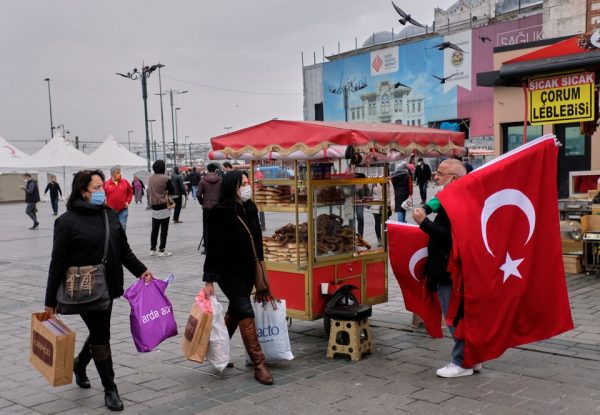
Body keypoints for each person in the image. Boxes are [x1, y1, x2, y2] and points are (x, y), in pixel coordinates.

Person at [44, 169, 153, 411]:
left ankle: (80, 364)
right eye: (96, 188)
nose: (101, 191)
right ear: (83, 192)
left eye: (102, 186)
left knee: (98, 331)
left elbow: (124, 250)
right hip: (83, 288)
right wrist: (49, 301)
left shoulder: (109, 215)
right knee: (101, 334)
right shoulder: (66, 222)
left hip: (109, 285)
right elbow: (57, 262)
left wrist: (142, 271)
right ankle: (110, 388)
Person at [203, 170, 274, 385]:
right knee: (244, 310)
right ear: (232, 187)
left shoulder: (250, 208)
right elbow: (212, 247)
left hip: (248, 271)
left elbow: (257, 241)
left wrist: (260, 267)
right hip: (228, 273)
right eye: (242, 183)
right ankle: (259, 364)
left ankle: (218, 351)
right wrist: (209, 279)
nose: (247, 186)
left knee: (235, 311)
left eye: (248, 182)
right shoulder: (220, 212)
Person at [411, 159, 478, 378]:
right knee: (459, 316)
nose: (435, 177)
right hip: (448, 268)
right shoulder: (454, 198)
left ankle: (461, 362)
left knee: (454, 317)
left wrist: (424, 223)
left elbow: (454, 238)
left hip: (451, 270)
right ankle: (471, 358)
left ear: (454, 179)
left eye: (440, 173)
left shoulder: (458, 202)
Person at [149, 160, 174, 257]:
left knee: (154, 229)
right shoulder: (165, 178)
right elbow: (171, 190)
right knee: (164, 229)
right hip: (163, 206)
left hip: (154, 206)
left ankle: (152, 249)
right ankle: (162, 250)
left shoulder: (150, 178)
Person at [197, 163, 222, 255]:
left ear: (207, 170)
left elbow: (198, 194)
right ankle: (218, 246)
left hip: (207, 208)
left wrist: (202, 202)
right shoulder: (221, 180)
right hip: (218, 207)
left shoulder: (203, 180)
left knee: (207, 227)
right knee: (218, 227)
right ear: (215, 170)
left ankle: (207, 248)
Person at [103, 166, 133, 231]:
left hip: (123, 210)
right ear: (112, 174)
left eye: (119, 172)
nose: (120, 174)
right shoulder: (106, 184)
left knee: (122, 228)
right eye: (118, 173)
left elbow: (130, 192)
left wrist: (128, 201)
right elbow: (102, 195)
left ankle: (122, 241)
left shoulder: (125, 182)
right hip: (111, 211)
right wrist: (104, 204)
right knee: (113, 229)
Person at [371, 180, 394, 247]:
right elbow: (369, 191)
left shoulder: (388, 182)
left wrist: (392, 204)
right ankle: (379, 239)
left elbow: (392, 194)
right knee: (377, 222)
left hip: (386, 204)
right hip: (376, 204)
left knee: (385, 222)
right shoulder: (373, 181)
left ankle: (385, 238)